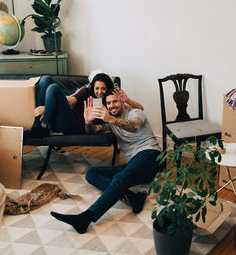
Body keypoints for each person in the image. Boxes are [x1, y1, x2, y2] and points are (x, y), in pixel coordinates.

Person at [50, 90, 163, 234]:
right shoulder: (112, 124)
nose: (112, 105)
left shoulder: (135, 113)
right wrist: (88, 121)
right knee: (92, 173)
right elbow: (92, 131)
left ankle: (86, 218)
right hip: (135, 165)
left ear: (122, 102)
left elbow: (134, 126)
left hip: (152, 157)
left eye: (115, 101)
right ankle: (134, 198)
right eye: (108, 103)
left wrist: (110, 119)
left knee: (120, 178)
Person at [28, 72, 143, 137]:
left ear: (108, 88)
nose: (99, 92)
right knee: (45, 79)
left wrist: (127, 100)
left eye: (103, 88)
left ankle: (41, 127)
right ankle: (40, 126)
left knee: (53, 88)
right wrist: (48, 107)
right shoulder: (86, 92)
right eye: (97, 88)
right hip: (66, 118)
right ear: (93, 87)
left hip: (76, 127)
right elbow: (70, 101)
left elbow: (140, 108)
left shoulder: (111, 102)